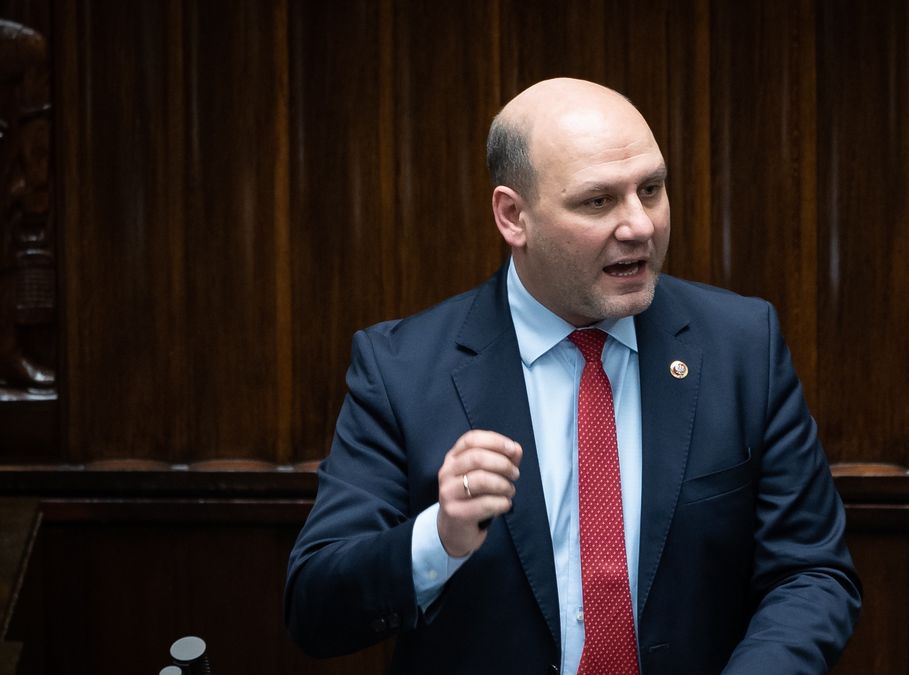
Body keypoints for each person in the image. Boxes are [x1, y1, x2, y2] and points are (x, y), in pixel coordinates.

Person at [286, 77, 861, 675]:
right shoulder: (401, 371)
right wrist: (440, 536)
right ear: (514, 216)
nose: (639, 225)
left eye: (652, 189)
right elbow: (315, 607)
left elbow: (812, 573)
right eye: (598, 201)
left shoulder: (742, 345)